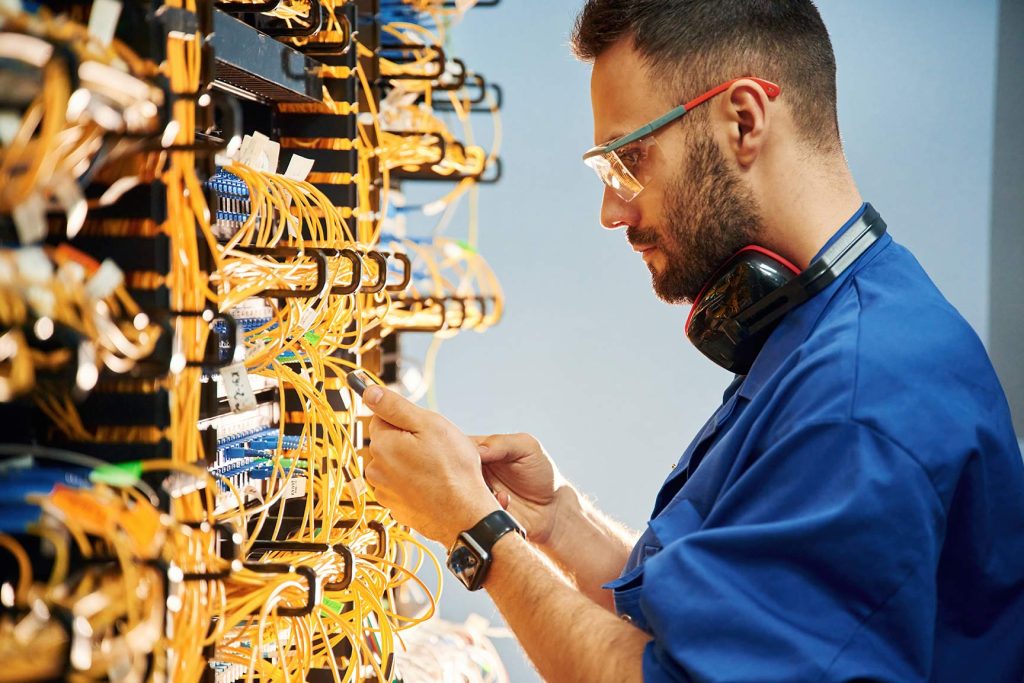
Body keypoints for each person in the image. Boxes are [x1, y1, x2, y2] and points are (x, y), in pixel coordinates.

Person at [360, 1, 1024, 681]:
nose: (611, 210)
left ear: (743, 120)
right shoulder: (827, 325)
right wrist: (561, 520)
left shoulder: (861, 399)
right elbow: (727, 622)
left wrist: (476, 532)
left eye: (631, 159)